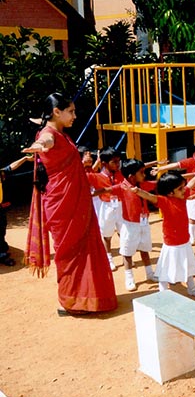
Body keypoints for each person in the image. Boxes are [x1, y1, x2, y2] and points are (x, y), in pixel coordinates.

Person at [22, 93, 118, 314]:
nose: (75, 116)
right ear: (57, 112)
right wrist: (38, 145)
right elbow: (45, 141)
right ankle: (70, 301)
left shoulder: (61, 132)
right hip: (63, 203)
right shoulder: (49, 134)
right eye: (71, 111)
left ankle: (91, 298)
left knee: (85, 249)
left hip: (76, 199)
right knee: (69, 252)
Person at [133, 171, 195, 297]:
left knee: (187, 264)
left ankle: (192, 287)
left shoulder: (182, 196)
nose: (184, 190)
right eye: (180, 188)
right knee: (166, 267)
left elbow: (191, 184)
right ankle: (163, 290)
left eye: (183, 187)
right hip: (171, 243)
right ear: (170, 193)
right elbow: (150, 196)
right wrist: (138, 191)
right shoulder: (164, 201)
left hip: (184, 240)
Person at [114, 159, 157, 291]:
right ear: (131, 176)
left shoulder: (143, 185)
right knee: (127, 252)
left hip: (144, 223)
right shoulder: (122, 187)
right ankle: (129, 277)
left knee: (145, 248)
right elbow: (105, 190)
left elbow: (158, 183)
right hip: (130, 225)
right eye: (141, 172)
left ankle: (150, 273)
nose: (144, 175)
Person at [0, 154, 32, 266]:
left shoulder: (0, 173)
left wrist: (25, 158)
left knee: (1, 230)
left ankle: (2, 254)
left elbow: (11, 167)